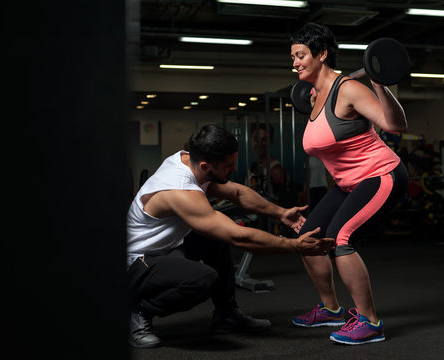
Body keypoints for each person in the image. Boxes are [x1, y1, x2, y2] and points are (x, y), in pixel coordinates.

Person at [126, 124, 335, 348]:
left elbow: (236, 193)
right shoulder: (179, 190)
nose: (234, 168)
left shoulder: (188, 159)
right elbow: (237, 236)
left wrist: (281, 213)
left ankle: (226, 314)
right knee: (203, 278)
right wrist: (295, 246)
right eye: (229, 165)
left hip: (169, 248)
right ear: (205, 165)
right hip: (138, 262)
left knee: (214, 239)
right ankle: (138, 311)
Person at [289, 23, 409, 345]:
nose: (295, 63)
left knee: (340, 236)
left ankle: (370, 321)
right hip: (347, 184)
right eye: (294, 57)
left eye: (301, 55)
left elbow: (395, 126)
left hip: (381, 174)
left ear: (322, 54)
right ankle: (330, 309)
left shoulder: (349, 90)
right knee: (309, 237)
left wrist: (380, 86)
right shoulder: (316, 96)